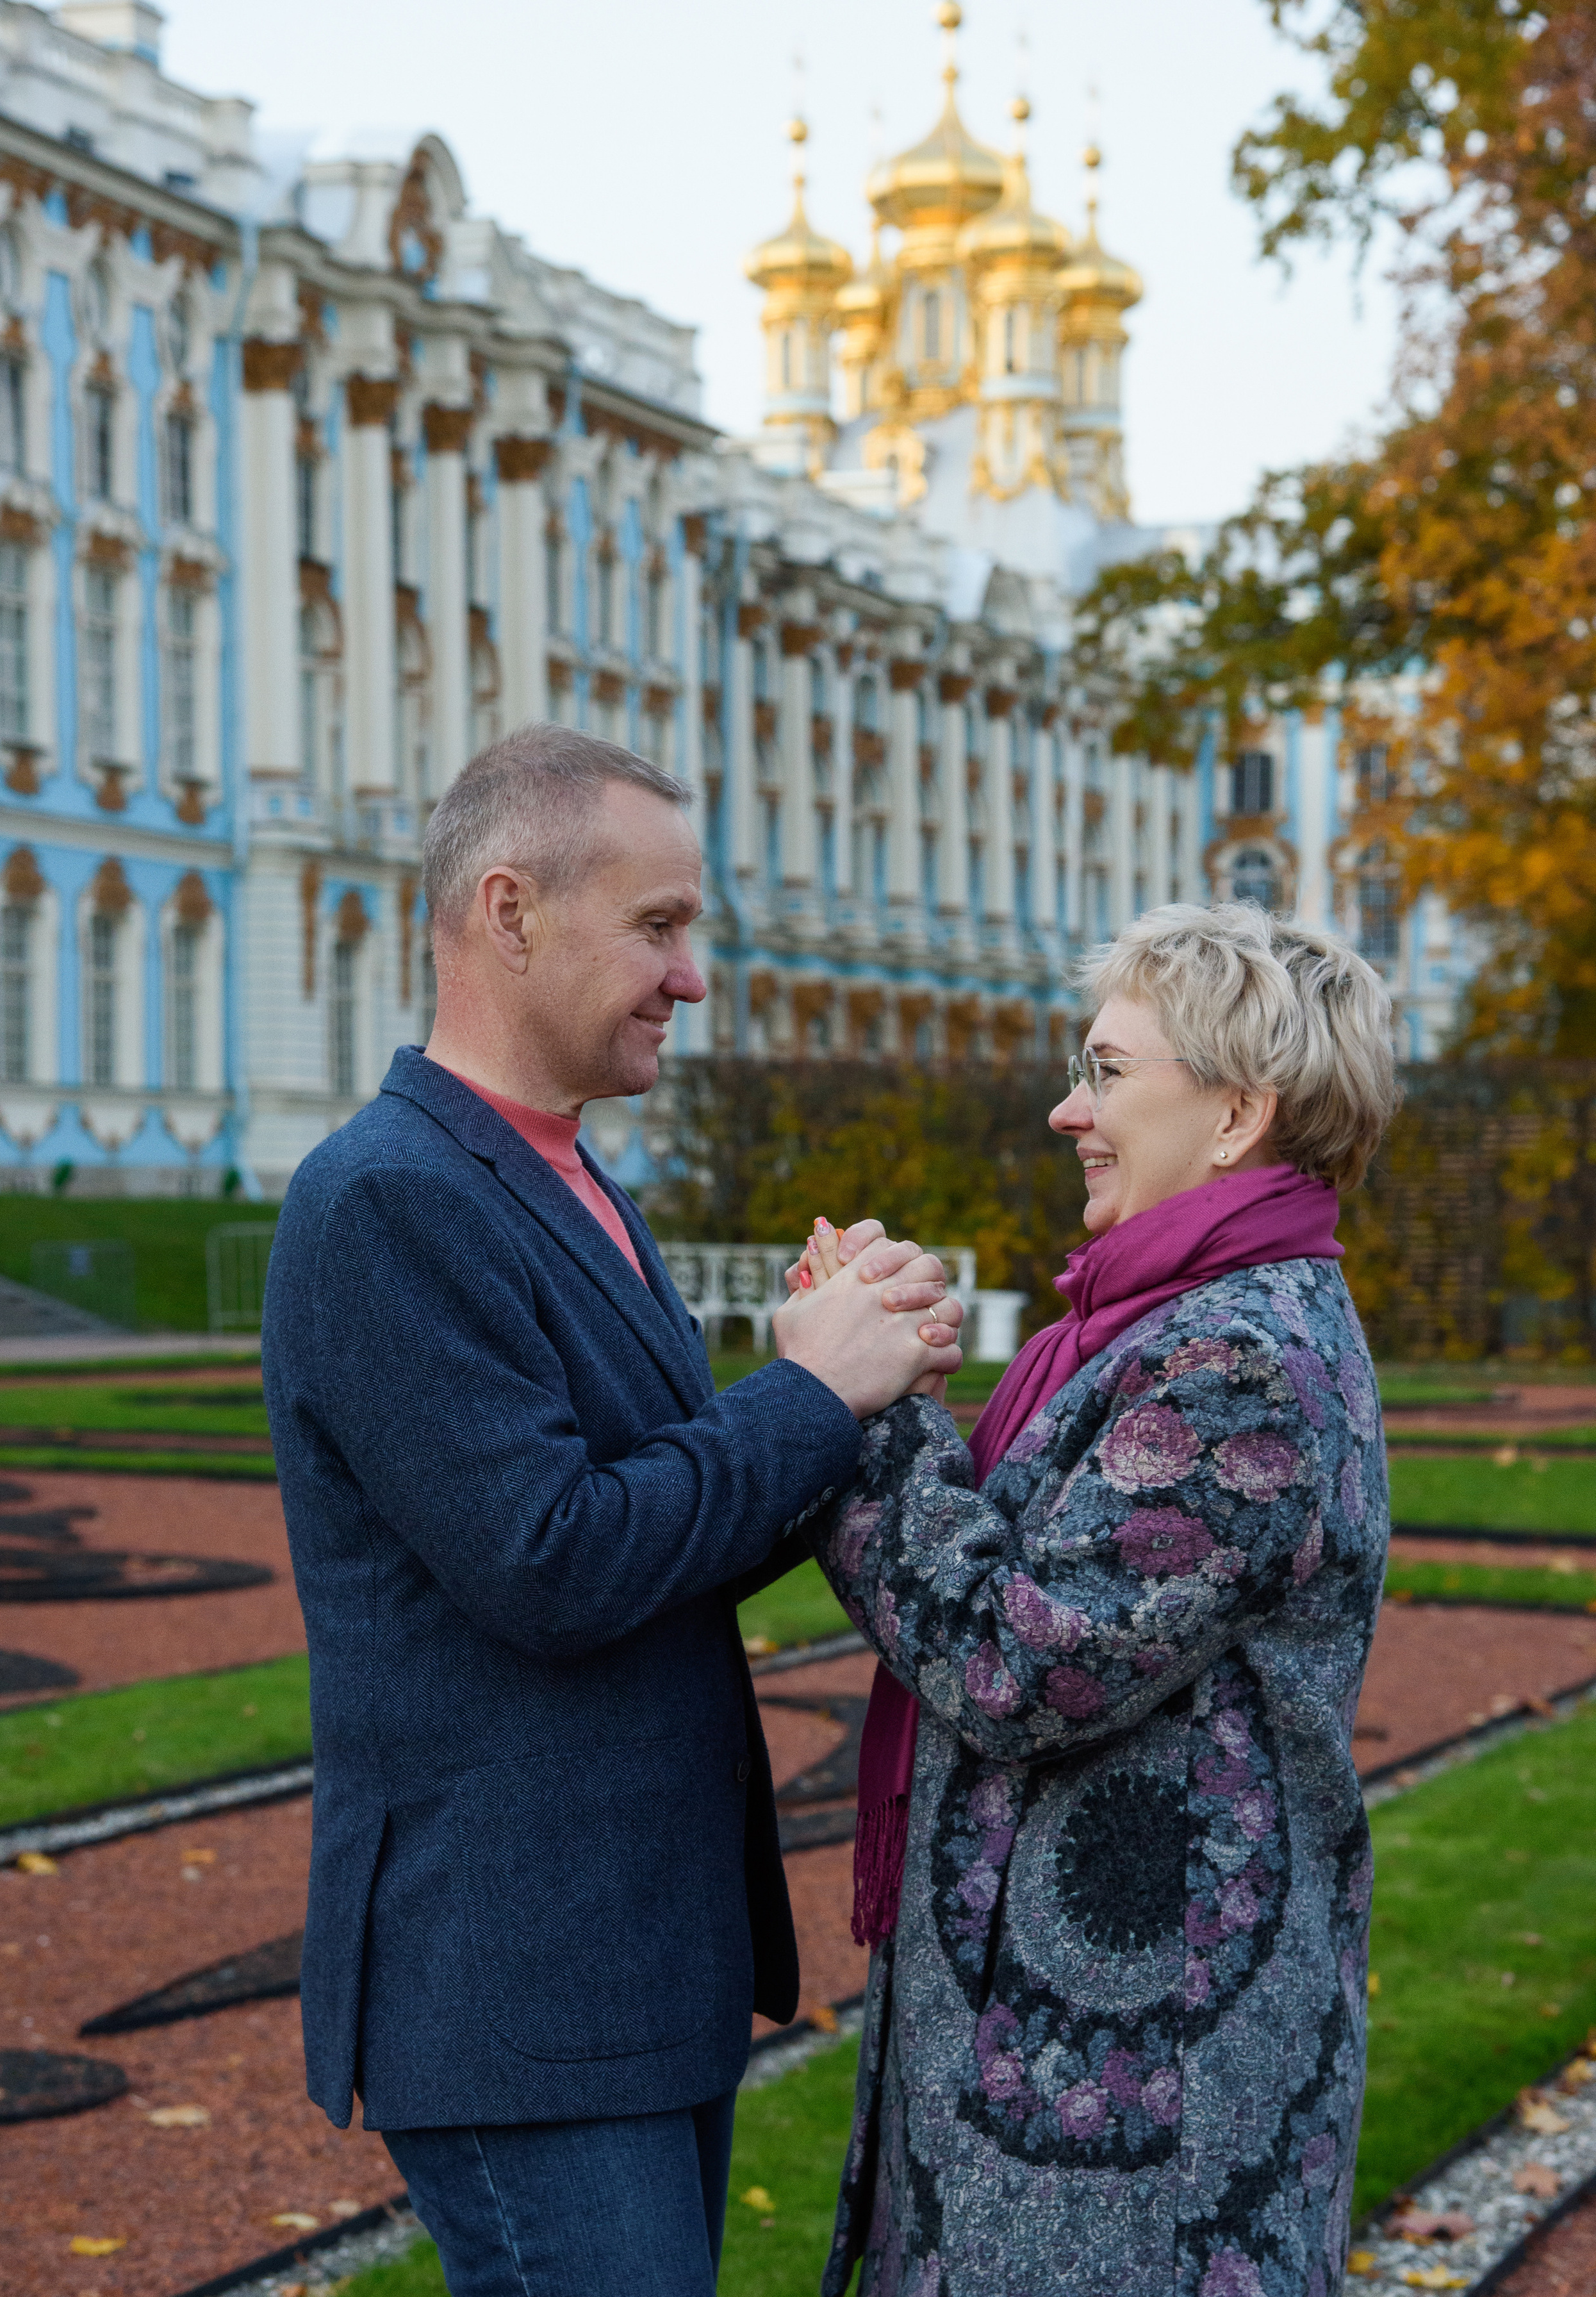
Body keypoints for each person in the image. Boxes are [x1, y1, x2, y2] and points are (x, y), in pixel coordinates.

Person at [260, 725, 962, 2297]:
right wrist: (806, 1394)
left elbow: (671, 1517)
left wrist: (861, 1381)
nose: (691, 974)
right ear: (508, 911)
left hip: (635, 1967)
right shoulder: (382, 1196)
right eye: (657, 926)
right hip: (520, 1989)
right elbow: (554, 1563)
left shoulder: (572, 1179)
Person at [800, 902, 1400, 2297]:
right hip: (1084, 2078)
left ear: (1239, 1112)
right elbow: (1039, 1580)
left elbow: (1023, 1662)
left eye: (1107, 1070)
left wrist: (859, 1411)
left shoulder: (1236, 1357)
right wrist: (898, 1385)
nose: (1068, 1106)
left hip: (1127, 2113)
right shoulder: (1170, 1320)